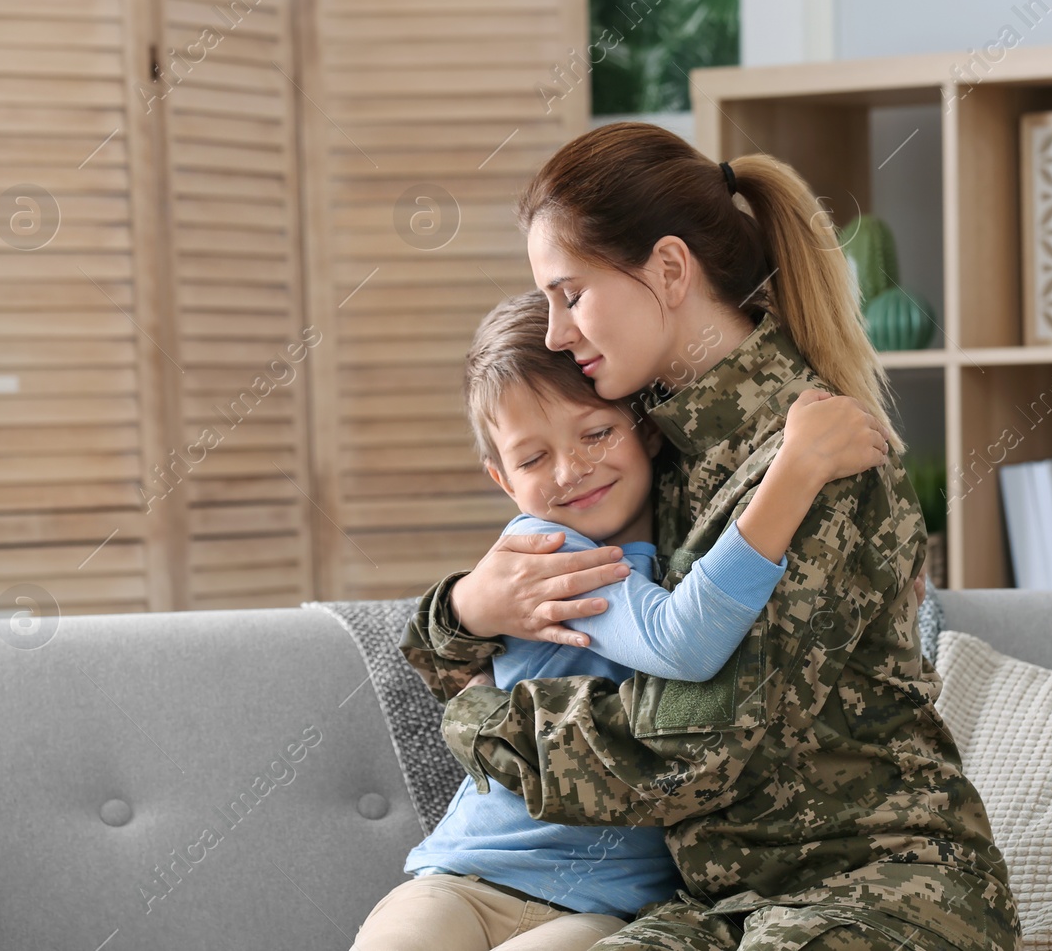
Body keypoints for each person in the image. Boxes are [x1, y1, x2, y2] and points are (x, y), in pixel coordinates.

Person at [402, 122, 1020, 951]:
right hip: (721, 906)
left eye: (571, 293)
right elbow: (504, 614)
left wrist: (479, 717)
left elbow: (686, 749)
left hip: (877, 888)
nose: (554, 331)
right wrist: (465, 610)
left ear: (667, 269)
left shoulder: (819, 453)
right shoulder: (641, 448)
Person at [356, 291, 892, 951]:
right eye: (531, 459)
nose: (570, 470)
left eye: (595, 432)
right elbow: (681, 640)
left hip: (605, 909)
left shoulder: (684, 537)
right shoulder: (550, 554)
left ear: (644, 427)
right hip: (467, 876)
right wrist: (796, 469)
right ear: (502, 478)